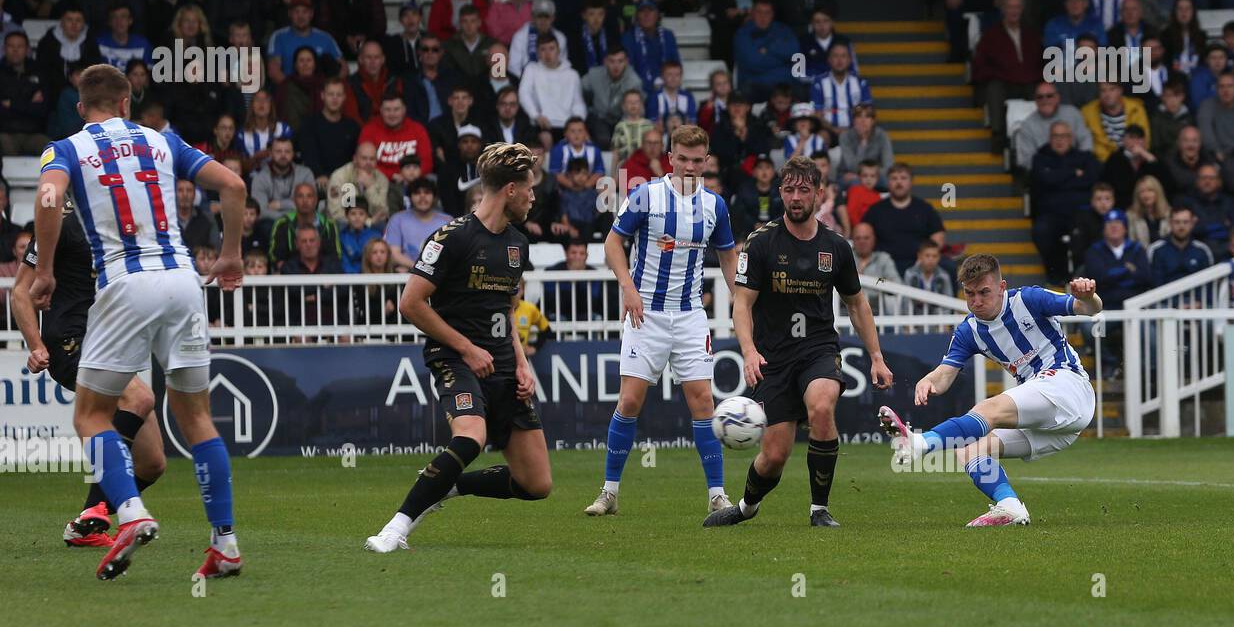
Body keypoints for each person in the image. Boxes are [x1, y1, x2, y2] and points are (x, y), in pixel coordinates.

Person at [31, 62, 248, 579]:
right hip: (182, 282)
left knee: (91, 416)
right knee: (197, 420)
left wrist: (43, 270)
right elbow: (234, 185)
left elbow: (47, 195)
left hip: (125, 284)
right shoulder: (162, 140)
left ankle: (128, 513)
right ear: (128, 102)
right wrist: (232, 254)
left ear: (82, 109)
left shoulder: (66, 148)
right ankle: (225, 544)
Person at [365, 144, 550, 551]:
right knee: (470, 437)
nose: (534, 197)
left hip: (501, 363)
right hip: (455, 357)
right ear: (510, 191)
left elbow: (506, 307)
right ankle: (394, 529)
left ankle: (443, 485)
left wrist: (521, 364)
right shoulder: (452, 237)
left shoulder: (518, 244)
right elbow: (410, 304)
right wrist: (466, 348)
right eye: (530, 189)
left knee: (537, 484)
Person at [704, 155, 892, 529]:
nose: (795, 197)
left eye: (804, 190)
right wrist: (749, 351)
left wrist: (876, 357)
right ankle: (746, 506)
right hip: (772, 358)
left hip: (819, 350)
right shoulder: (761, 243)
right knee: (773, 456)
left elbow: (857, 304)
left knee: (822, 407)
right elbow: (741, 304)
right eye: (789, 189)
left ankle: (819, 509)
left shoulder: (836, 247)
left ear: (819, 194)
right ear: (780, 193)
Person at [582, 125, 737, 516]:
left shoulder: (715, 205)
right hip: (645, 313)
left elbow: (729, 257)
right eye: (682, 159)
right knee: (630, 400)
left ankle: (717, 494)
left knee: (703, 402)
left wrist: (743, 302)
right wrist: (628, 287)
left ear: (706, 161)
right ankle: (609, 492)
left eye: (697, 161)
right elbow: (613, 243)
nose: (689, 166)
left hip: (689, 316)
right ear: (671, 158)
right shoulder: (644, 195)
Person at [880, 255, 1101, 526]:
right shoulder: (969, 330)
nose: (976, 301)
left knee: (986, 410)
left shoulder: (1028, 300)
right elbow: (945, 375)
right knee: (968, 450)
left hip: (1066, 386)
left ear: (1001, 287)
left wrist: (1089, 296)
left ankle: (920, 443)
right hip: (1056, 423)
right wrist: (929, 380)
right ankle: (1010, 507)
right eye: (969, 294)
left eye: (984, 292)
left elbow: (1089, 309)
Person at [10, 197, 166, 549]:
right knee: (139, 398)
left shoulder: (126, 219)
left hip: (111, 339)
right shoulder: (60, 220)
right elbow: (20, 291)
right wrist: (35, 345)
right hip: (71, 339)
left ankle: (84, 524)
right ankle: (98, 508)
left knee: (152, 461)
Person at [971, 0, 1043, 153]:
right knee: (994, 88)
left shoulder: (1032, 33)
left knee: (1042, 91)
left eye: (1017, 7)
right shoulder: (991, 35)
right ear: (1003, 9)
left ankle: (1039, 137)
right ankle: (998, 135)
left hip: (1030, 82)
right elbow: (980, 66)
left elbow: (1042, 61)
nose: (1014, 11)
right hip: (1004, 82)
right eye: (1010, 7)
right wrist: (999, 73)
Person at [1031, 122, 1100, 283]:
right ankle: (1055, 276)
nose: (1059, 140)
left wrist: (1057, 178)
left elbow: (1090, 180)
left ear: (1071, 138)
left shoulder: (1085, 157)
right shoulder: (1040, 158)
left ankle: (1085, 275)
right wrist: (1073, 173)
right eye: (1055, 136)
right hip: (1051, 215)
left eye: (1064, 136)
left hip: (1080, 214)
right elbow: (1045, 179)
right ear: (1049, 138)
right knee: (1041, 231)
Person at [383, 177, 452, 269]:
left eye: (427, 192)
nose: (422, 196)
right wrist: (420, 269)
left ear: (434, 197)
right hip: (408, 275)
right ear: (410, 197)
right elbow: (394, 254)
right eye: (417, 193)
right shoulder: (397, 219)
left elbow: (454, 253)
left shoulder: (447, 221)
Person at [1148, 206, 1216, 287]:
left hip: (1197, 299)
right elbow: (1154, 284)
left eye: (1185, 222)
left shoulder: (1202, 250)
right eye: (1177, 222)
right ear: (1170, 223)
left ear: (1192, 223)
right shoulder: (1156, 249)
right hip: (1166, 298)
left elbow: (1209, 283)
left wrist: (1199, 299)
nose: (1181, 226)